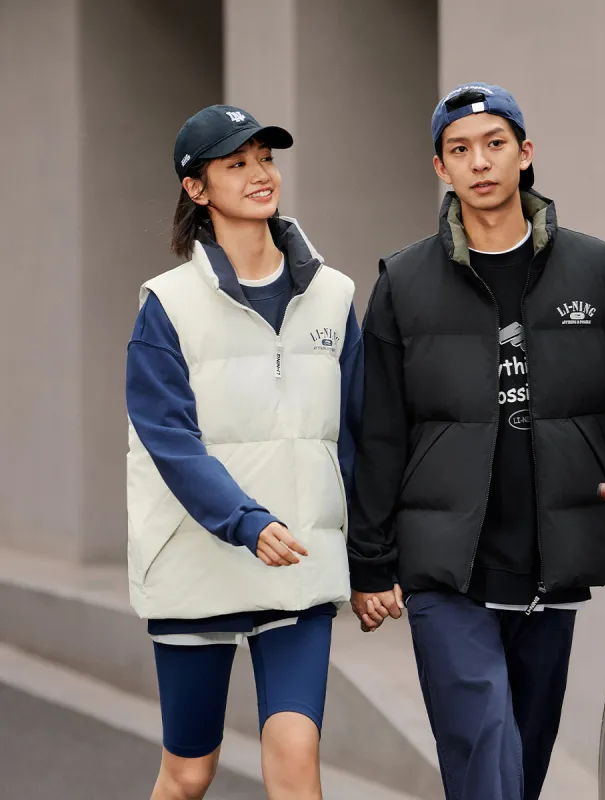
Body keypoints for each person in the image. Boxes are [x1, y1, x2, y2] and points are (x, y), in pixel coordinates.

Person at [347, 82, 605, 800]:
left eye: (495, 144)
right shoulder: (405, 282)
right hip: (446, 572)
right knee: (487, 749)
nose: (480, 162)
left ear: (525, 153)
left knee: (523, 767)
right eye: (460, 150)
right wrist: (369, 560)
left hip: (551, 566)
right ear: (441, 168)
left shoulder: (591, 269)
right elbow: (379, 430)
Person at [126, 104, 362, 800]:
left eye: (265, 158)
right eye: (237, 164)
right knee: (188, 773)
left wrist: (371, 552)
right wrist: (245, 521)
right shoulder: (166, 305)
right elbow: (169, 441)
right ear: (196, 188)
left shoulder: (333, 295)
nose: (261, 174)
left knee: (296, 756)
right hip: (196, 564)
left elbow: (358, 435)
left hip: (298, 564)